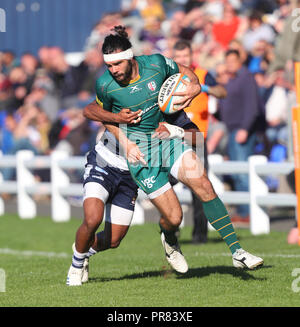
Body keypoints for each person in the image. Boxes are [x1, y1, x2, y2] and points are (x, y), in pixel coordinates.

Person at [67, 25, 263, 285]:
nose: (113, 71)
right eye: (109, 66)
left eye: (116, 65)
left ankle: (237, 251)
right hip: (140, 157)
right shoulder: (106, 84)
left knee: (203, 183)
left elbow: (186, 80)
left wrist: (194, 87)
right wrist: (119, 124)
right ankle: (168, 240)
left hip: (167, 144)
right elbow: (92, 111)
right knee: (173, 218)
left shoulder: (157, 66)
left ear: (130, 56)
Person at [172, 39, 227, 244]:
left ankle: (200, 236)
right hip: (173, 137)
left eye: (185, 56)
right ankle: (170, 227)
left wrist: (205, 88)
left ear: (191, 56)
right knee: (165, 185)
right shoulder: (167, 78)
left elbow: (223, 92)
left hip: (197, 139)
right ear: (173, 58)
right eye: (178, 57)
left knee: (200, 189)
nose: (182, 60)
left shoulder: (202, 74)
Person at [218, 49, 262, 221]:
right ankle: (244, 211)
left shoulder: (246, 78)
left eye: (232, 61)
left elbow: (252, 107)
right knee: (237, 172)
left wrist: (245, 128)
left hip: (241, 131)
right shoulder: (234, 79)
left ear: (240, 61)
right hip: (233, 130)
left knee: (243, 173)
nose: (230, 65)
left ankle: (248, 213)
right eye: (227, 62)